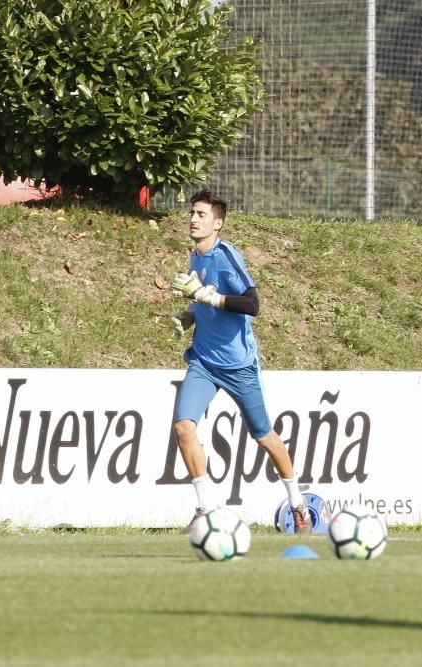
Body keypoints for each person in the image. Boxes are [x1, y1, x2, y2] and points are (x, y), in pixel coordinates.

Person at [167, 189, 311, 534]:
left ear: (218, 223)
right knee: (183, 427)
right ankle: (206, 508)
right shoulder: (195, 257)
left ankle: (297, 501)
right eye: (192, 213)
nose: (193, 219)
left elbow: (251, 305)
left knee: (264, 436)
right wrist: (189, 315)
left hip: (238, 365)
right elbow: (205, 300)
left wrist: (209, 297)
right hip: (203, 360)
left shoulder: (226, 255)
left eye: (201, 214)